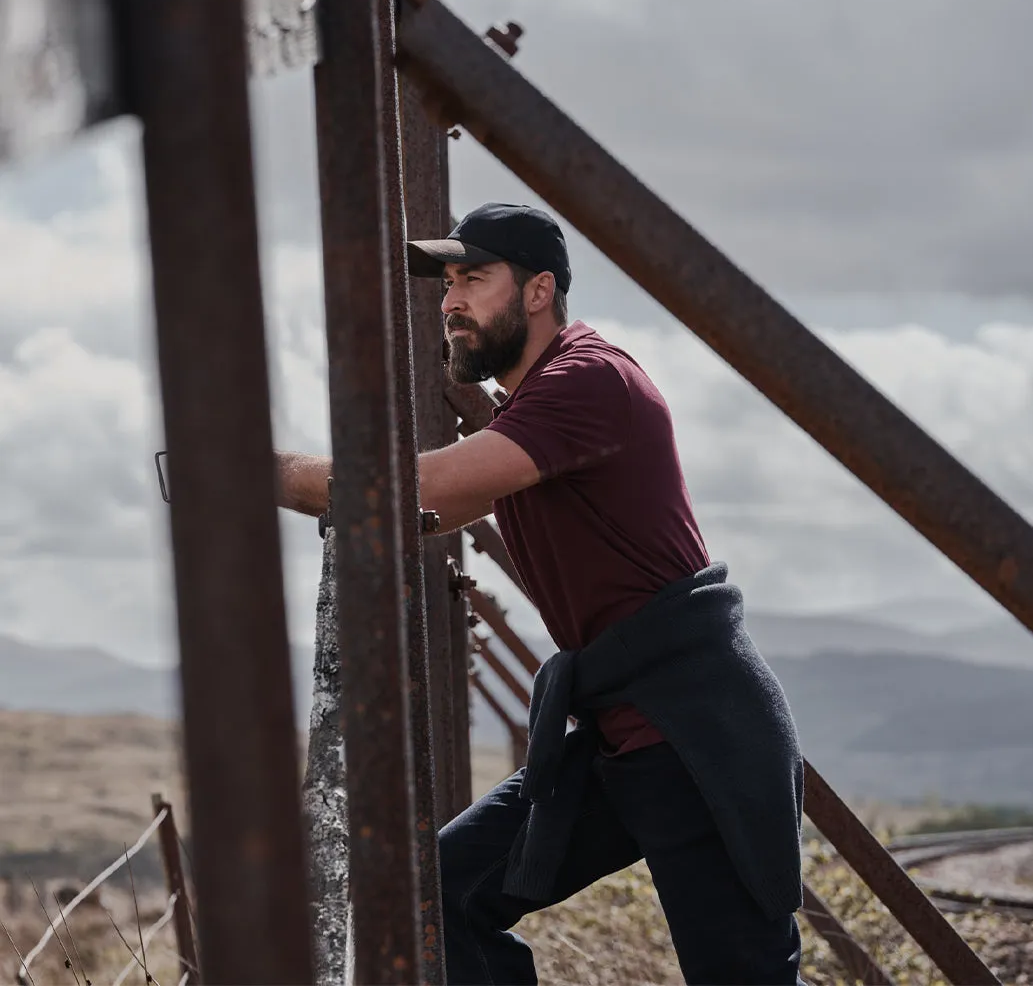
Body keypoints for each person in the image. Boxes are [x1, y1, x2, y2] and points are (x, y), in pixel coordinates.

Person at [275, 203, 806, 986]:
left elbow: (416, 487)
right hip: (612, 736)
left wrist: (258, 469)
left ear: (538, 290)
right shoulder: (530, 412)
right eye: (448, 283)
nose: (451, 301)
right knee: (444, 898)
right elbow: (428, 507)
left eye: (474, 279)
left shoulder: (586, 380)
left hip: (692, 734)